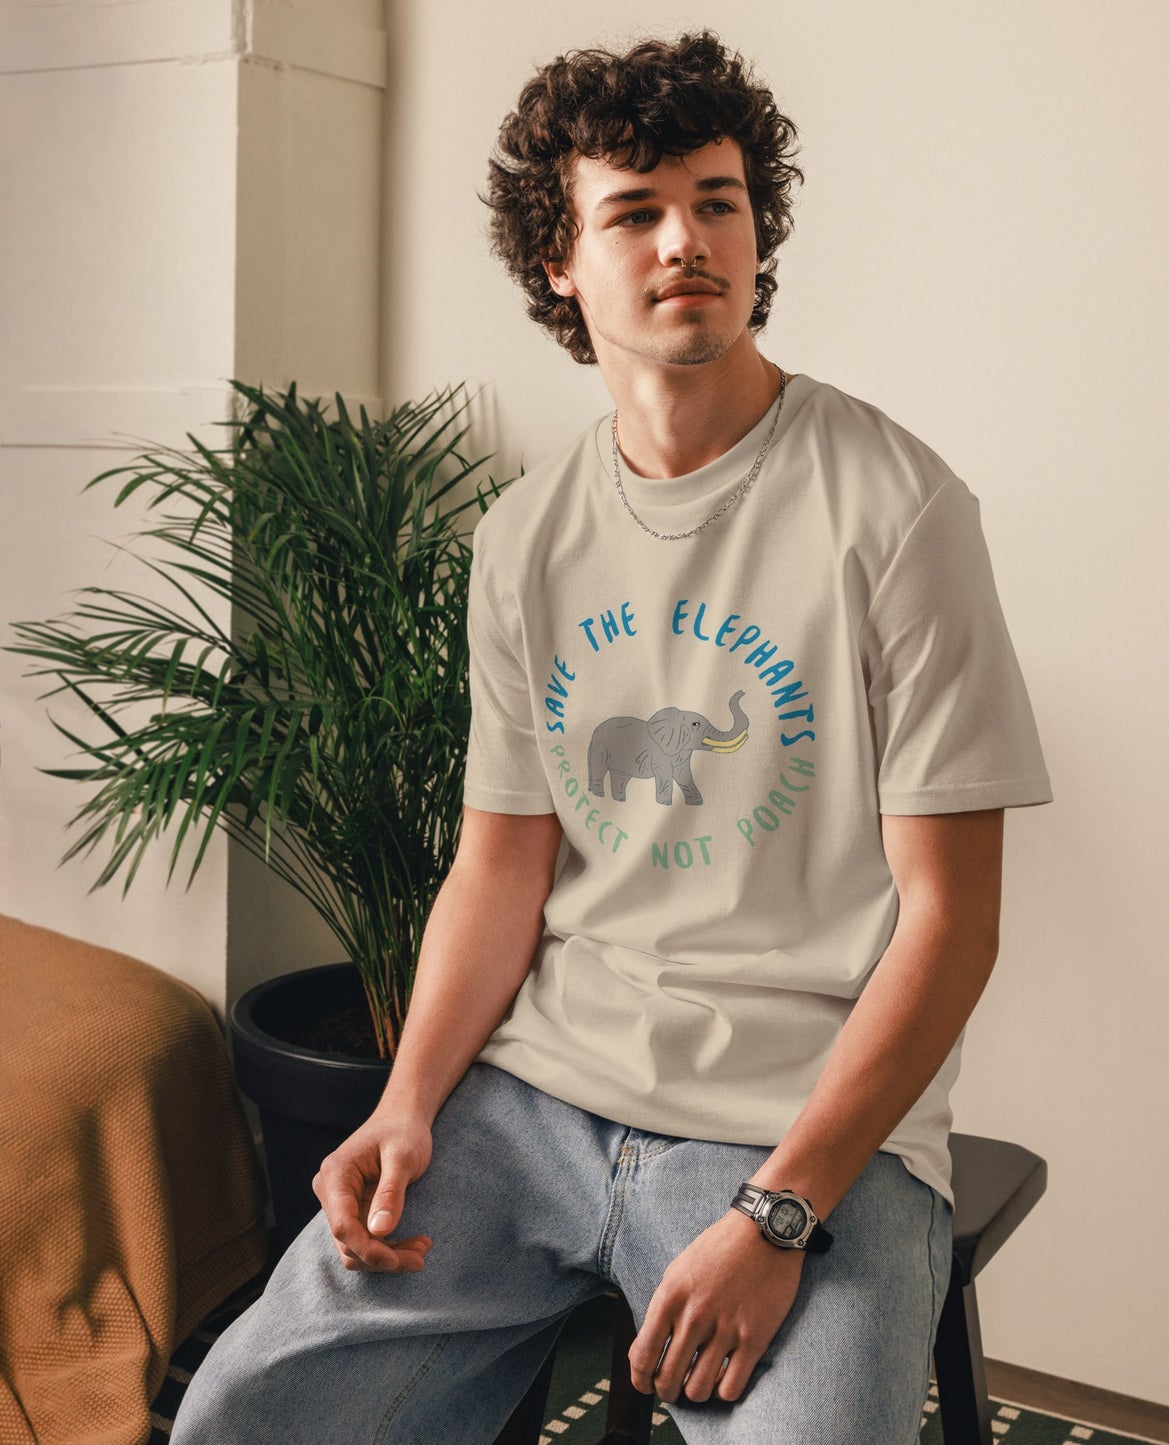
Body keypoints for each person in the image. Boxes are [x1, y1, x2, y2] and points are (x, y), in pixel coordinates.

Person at [171, 30, 1051, 1445]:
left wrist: (778, 1212)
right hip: (529, 1107)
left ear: (759, 235)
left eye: (716, 200)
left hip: (800, 1127)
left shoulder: (896, 511)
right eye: (632, 211)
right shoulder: (525, 538)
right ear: (559, 269)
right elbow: (499, 868)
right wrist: (406, 1107)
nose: (684, 239)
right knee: (239, 1414)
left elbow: (950, 922)